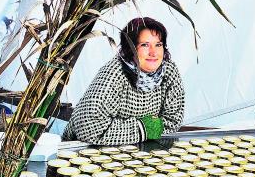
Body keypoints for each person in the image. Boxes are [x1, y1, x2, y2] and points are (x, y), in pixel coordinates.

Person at [65, 16, 185, 146]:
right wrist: (145, 127)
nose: (153, 52)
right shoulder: (114, 74)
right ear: (130, 48)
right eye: (145, 45)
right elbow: (88, 128)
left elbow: (173, 120)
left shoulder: (169, 71)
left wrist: (121, 129)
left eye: (158, 45)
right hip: (86, 148)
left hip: (140, 147)